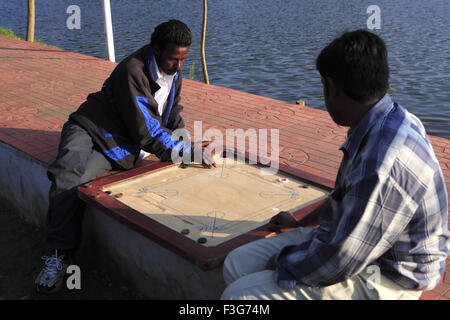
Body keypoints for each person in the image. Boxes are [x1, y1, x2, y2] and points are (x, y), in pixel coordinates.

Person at [220, 30, 449, 300]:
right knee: (236, 264)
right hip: (363, 246)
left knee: (238, 297)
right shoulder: (383, 119)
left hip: (390, 275)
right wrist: (301, 223)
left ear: (332, 88)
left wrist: (284, 265)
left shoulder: (382, 162)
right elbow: (346, 196)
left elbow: (342, 260)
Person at [35, 19, 215, 294]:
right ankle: (57, 256)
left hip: (118, 142)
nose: (178, 67)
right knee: (66, 172)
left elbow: (171, 115)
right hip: (89, 126)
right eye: (172, 60)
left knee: (79, 182)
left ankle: (64, 248)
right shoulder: (133, 71)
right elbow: (149, 133)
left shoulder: (173, 74)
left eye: (182, 60)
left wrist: (186, 141)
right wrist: (187, 153)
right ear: (155, 49)